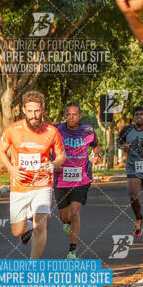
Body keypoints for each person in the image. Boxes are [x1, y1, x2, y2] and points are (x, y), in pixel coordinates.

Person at [0, 91, 66, 259]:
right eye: (30, 111)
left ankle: (32, 266)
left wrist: (53, 164)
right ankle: (25, 226)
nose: (33, 115)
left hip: (42, 185)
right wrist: (12, 170)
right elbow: (1, 151)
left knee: (40, 227)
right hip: (19, 187)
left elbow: (62, 155)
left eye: (37, 111)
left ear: (43, 109)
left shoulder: (51, 131)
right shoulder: (13, 129)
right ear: (23, 110)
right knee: (16, 231)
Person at [53, 103, 101, 259]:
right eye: (68, 114)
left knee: (75, 213)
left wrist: (96, 155)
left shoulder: (88, 130)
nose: (71, 117)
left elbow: (96, 146)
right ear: (65, 115)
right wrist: (51, 163)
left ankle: (72, 252)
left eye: (74, 114)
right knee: (65, 217)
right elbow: (46, 146)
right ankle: (67, 224)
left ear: (80, 116)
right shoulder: (56, 130)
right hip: (61, 178)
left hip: (82, 178)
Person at [117, 106, 143, 236]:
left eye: (142, 114)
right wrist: (124, 147)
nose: (139, 116)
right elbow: (119, 143)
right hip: (133, 167)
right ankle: (139, 217)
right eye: (137, 114)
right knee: (134, 196)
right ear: (133, 117)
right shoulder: (127, 130)